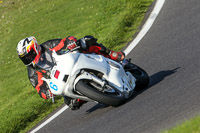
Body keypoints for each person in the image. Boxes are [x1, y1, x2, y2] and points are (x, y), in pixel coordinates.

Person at [17, 35, 125, 110]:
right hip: (65, 81)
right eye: (25, 58)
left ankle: (112, 54)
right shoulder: (33, 70)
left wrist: (71, 43)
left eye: (30, 54)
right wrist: (46, 92)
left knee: (86, 41)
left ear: (35, 47)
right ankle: (95, 95)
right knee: (71, 103)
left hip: (72, 64)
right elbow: (39, 86)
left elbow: (65, 41)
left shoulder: (48, 46)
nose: (28, 59)